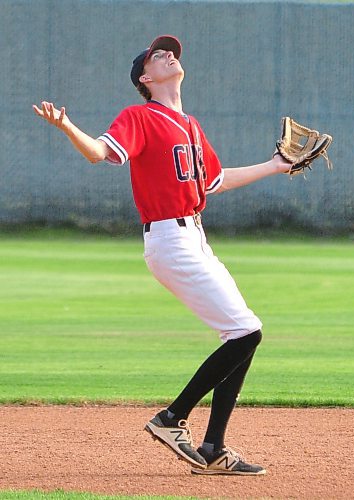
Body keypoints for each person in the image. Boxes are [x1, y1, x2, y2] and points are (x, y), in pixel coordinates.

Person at [33, 35, 291, 476]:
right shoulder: (140, 117)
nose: (170, 55)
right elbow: (100, 153)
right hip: (170, 240)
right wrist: (68, 128)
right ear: (146, 78)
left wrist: (275, 164)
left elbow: (216, 181)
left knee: (242, 335)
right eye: (158, 55)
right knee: (246, 332)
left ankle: (212, 449)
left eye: (171, 52)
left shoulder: (190, 125)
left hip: (196, 238)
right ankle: (171, 419)